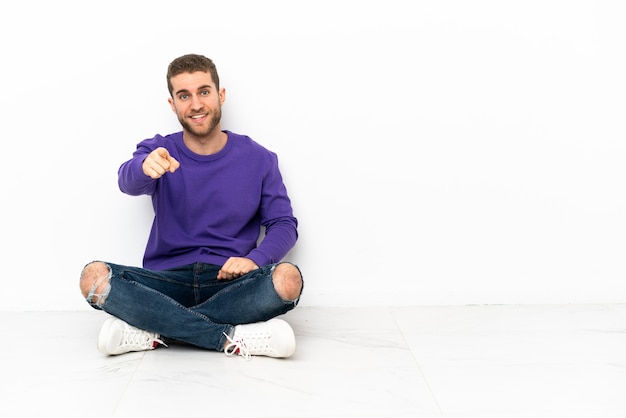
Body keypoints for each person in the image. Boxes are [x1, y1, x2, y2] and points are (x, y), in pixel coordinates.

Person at [79, 53, 303, 360]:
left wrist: (256, 259)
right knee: (93, 277)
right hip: (166, 281)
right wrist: (144, 166)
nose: (196, 104)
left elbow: (283, 223)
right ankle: (230, 337)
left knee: (288, 280)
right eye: (184, 96)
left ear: (220, 95)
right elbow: (127, 181)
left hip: (230, 282)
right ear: (173, 104)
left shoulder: (260, 158)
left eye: (204, 92)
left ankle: (154, 326)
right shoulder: (159, 150)